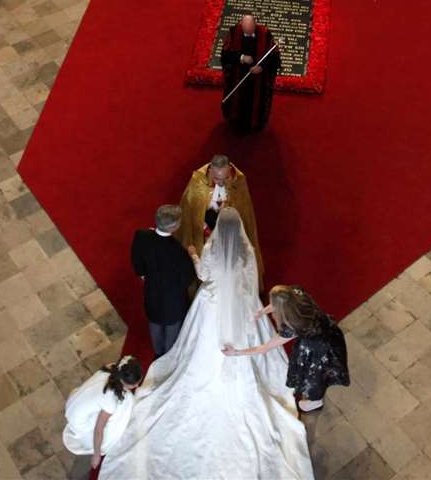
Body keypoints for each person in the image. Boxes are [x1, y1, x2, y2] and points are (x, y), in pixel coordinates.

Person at [97, 209, 311, 480]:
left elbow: (203, 275)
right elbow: (248, 281)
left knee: (196, 346)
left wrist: (194, 254)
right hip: (240, 304)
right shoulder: (246, 250)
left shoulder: (211, 247)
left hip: (211, 302)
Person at [224, 284, 350, 413]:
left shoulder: (292, 327)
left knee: (315, 377)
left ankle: (315, 402)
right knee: (322, 371)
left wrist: (236, 352)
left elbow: (264, 348)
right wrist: (261, 312)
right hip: (329, 332)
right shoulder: (297, 293)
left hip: (317, 350)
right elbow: (281, 303)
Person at [177, 155, 262, 283]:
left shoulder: (238, 180)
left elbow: (244, 211)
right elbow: (191, 211)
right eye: (216, 178)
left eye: (225, 178)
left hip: (229, 231)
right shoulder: (198, 181)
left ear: (229, 169)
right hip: (205, 232)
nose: (221, 183)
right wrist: (205, 229)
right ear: (210, 170)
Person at [131, 205, 197, 357]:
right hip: (173, 302)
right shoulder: (180, 253)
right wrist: (193, 256)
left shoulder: (142, 236)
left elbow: (136, 260)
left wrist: (144, 276)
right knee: (171, 334)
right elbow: (187, 280)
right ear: (174, 227)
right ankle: (167, 358)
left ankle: (157, 353)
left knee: (154, 323)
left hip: (152, 294)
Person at [62, 355, 143, 479]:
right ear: (125, 382)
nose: (136, 387)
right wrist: (97, 454)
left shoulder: (110, 367)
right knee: (125, 407)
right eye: (134, 385)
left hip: (74, 404)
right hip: (79, 422)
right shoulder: (110, 399)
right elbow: (99, 429)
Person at [220, 14, 280, 134]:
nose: (247, 32)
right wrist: (241, 57)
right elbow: (225, 55)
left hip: (258, 81)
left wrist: (261, 67)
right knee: (237, 102)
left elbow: (274, 57)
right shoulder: (233, 33)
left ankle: (255, 124)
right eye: (245, 30)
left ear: (254, 25)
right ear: (241, 25)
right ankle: (236, 122)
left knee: (255, 103)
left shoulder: (265, 34)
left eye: (250, 29)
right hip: (237, 77)